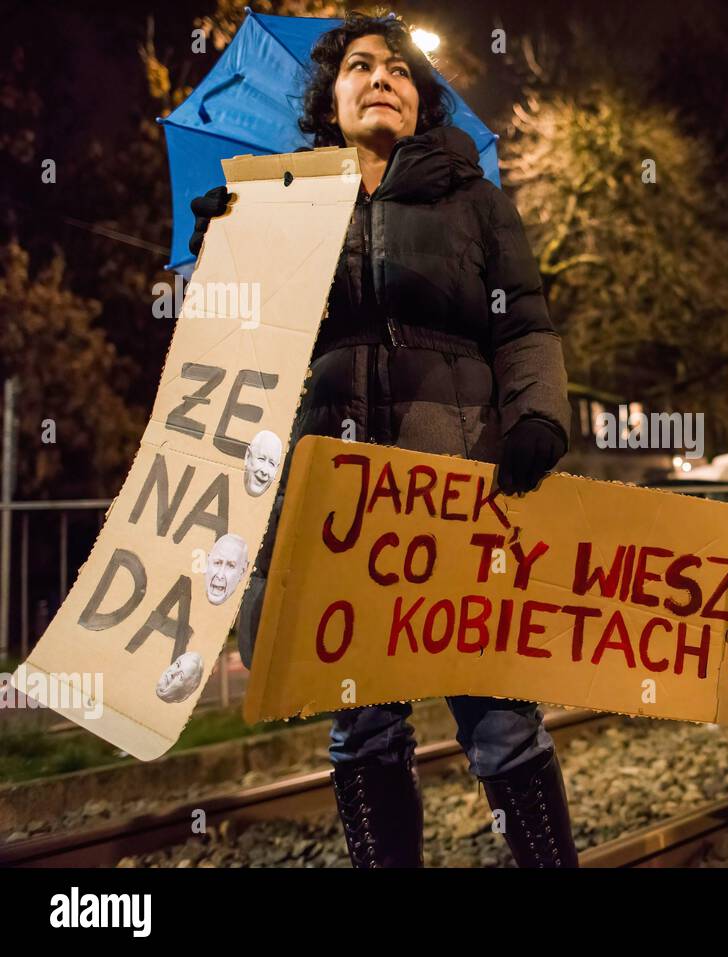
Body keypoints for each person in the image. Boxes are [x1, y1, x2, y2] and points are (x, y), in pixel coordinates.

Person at [194, 14, 578, 868]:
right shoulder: (278, 206)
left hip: (459, 486)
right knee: (362, 718)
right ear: (329, 100)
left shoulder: (476, 201)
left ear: (420, 100)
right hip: (337, 504)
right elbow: (229, 348)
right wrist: (218, 245)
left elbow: (526, 328)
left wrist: (539, 417)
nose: (381, 78)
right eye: (360, 66)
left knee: (501, 713)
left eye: (400, 71)